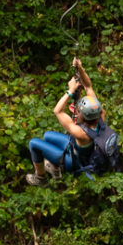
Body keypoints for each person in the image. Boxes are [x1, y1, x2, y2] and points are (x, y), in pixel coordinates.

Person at [25, 58, 103, 186]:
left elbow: (57, 111)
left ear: (83, 116)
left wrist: (70, 91)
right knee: (47, 135)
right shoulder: (99, 115)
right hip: (76, 148)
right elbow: (88, 86)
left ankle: (40, 178)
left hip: (72, 160)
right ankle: (54, 169)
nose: (77, 111)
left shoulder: (81, 133)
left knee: (33, 143)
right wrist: (80, 68)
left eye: (79, 111)